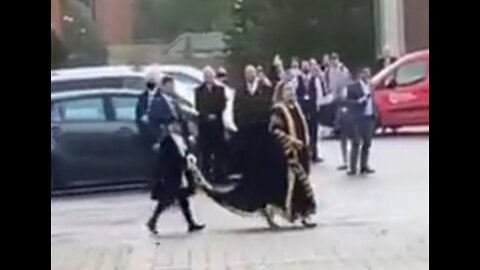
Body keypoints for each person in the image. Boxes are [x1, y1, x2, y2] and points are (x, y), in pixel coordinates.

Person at [146, 76, 205, 235]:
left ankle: (190, 222)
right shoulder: (158, 103)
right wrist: (161, 135)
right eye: (170, 86)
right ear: (163, 86)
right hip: (169, 150)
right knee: (172, 188)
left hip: (179, 147)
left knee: (180, 189)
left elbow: (182, 121)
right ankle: (154, 219)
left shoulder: (174, 102)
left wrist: (188, 137)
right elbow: (153, 124)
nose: (172, 89)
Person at [269, 81, 317, 226]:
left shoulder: (296, 107)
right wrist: (292, 141)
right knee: (294, 185)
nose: (291, 93)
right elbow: (275, 130)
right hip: (288, 152)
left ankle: (303, 213)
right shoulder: (279, 110)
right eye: (288, 90)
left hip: (302, 151)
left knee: (302, 184)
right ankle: (286, 212)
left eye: (292, 90)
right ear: (282, 93)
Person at [195, 66, 227, 182]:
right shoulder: (198, 90)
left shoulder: (220, 89)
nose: (208, 78)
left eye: (210, 76)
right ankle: (206, 175)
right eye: (206, 76)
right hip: (205, 125)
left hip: (217, 124)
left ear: (213, 76)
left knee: (219, 151)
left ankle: (219, 175)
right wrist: (207, 115)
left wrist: (215, 114)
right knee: (205, 152)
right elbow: (198, 106)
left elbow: (223, 104)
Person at [345, 67, 376, 176]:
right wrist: (359, 101)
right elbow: (348, 102)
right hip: (358, 118)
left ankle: (364, 166)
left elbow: (373, 100)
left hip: (369, 117)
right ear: (360, 74)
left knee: (367, 143)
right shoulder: (353, 87)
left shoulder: (371, 86)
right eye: (365, 73)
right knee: (356, 142)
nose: (367, 75)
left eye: (368, 73)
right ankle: (352, 167)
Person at [295, 60, 323, 163]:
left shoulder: (315, 79)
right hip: (302, 108)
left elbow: (319, 92)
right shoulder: (297, 79)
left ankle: (314, 154)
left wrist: (318, 106)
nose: (305, 68)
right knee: (302, 131)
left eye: (307, 66)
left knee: (313, 132)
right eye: (303, 66)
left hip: (312, 108)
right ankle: (303, 155)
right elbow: (294, 93)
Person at [327, 53, 351, 170]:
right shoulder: (331, 71)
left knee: (347, 132)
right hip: (337, 101)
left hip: (344, 101)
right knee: (342, 134)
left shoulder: (343, 70)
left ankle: (351, 159)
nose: (333, 63)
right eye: (332, 61)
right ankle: (345, 160)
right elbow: (331, 86)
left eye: (335, 60)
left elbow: (346, 84)